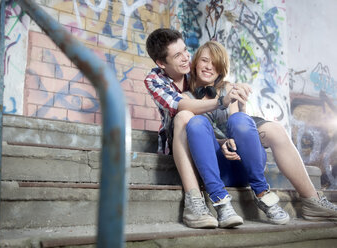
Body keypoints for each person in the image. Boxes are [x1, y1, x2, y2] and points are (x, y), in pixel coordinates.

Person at [144, 28, 337, 228]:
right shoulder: (156, 80)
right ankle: (195, 202)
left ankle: (311, 200)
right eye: (178, 55)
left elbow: (235, 119)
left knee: (271, 129)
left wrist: (235, 105)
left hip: (224, 135)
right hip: (186, 137)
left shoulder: (214, 78)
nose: (186, 58)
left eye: (186, 51)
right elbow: (184, 107)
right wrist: (222, 103)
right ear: (161, 63)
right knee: (187, 117)